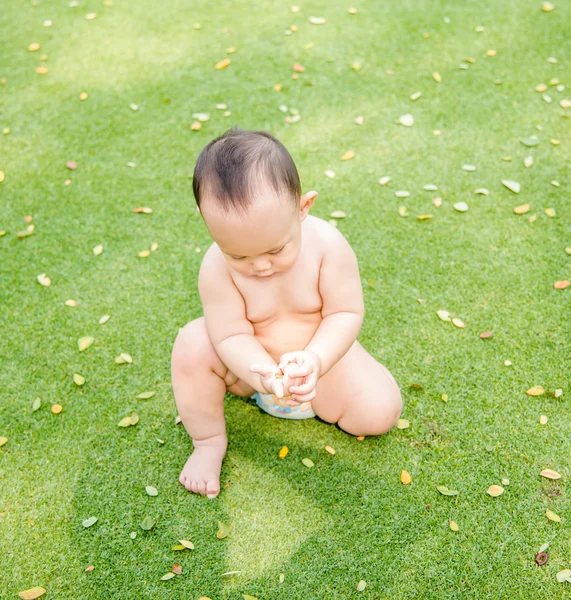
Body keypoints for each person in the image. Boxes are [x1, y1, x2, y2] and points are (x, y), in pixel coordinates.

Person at [171, 125, 403, 499]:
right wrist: (258, 371)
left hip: (321, 368)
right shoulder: (215, 267)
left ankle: (325, 389)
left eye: (275, 250)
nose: (260, 267)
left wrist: (316, 359)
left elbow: (344, 312)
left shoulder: (328, 246)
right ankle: (209, 442)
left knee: (382, 412)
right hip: (252, 375)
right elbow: (229, 334)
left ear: (302, 208)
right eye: (239, 256)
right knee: (192, 343)